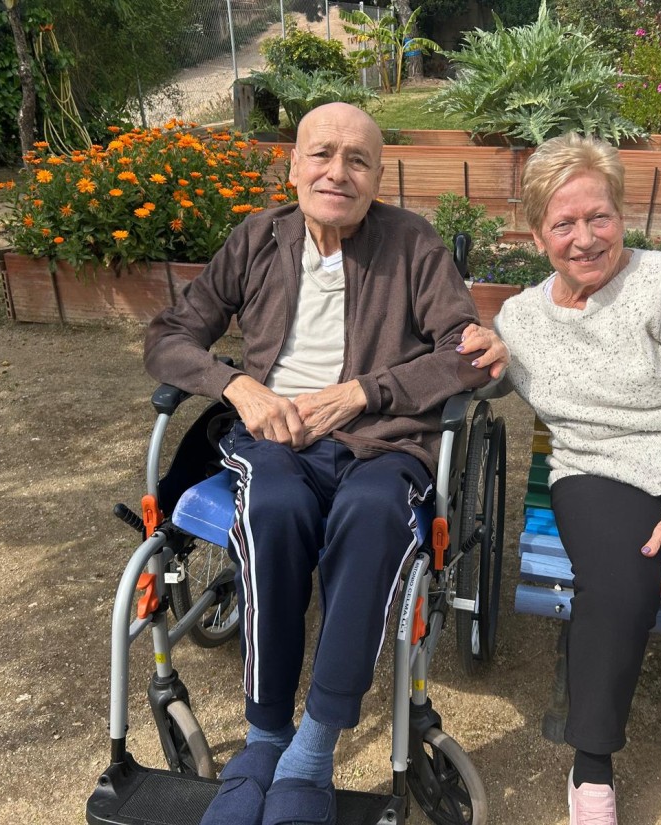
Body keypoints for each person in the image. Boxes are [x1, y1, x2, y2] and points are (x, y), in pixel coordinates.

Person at [145, 102, 490, 825]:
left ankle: (312, 749)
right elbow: (170, 337)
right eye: (322, 154)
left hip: (384, 441)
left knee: (372, 514)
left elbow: (465, 354)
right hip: (276, 439)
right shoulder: (257, 238)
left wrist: (364, 392)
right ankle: (266, 736)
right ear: (294, 167)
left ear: (378, 178)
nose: (338, 171)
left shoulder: (413, 244)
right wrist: (237, 386)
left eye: (358, 159)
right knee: (273, 509)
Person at [461, 133, 661, 825]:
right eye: (564, 224)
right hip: (602, 469)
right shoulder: (522, 318)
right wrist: (481, 360)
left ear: (621, 215)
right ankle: (591, 766)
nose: (584, 239)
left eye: (599, 217)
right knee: (614, 591)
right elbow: (488, 380)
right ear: (536, 234)